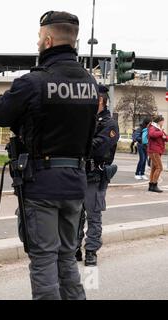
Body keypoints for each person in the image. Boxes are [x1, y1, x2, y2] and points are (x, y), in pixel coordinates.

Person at [0, 11, 98, 300]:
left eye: (39, 37)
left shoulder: (34, 82)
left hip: (42, 185)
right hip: (76, 184)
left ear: (48, 40)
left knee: (43, 259)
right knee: (66, 257)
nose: (38, 42)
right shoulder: (90, 83)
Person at [76, 85, 120, 266]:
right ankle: (74, 248)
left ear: (100, 100)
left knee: (93, 215)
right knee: (75, 215)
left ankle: (92, 250)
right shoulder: (86, 120)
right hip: (78, 173)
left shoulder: (109, 124)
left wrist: (77, 143)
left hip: (95, 174)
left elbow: (99, 145)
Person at [147, 115, 168, 193]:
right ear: (159, 121)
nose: (163, 122)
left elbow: (166, 138)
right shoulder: (153, 127)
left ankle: (151, 186)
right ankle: (154, 184)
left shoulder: (159, 129)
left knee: (154, 168)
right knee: (159, 168)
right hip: (154, 151)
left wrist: (164, 136)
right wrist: (161, 132)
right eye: (162, 121)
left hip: (157, 150)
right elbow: (152, 134)